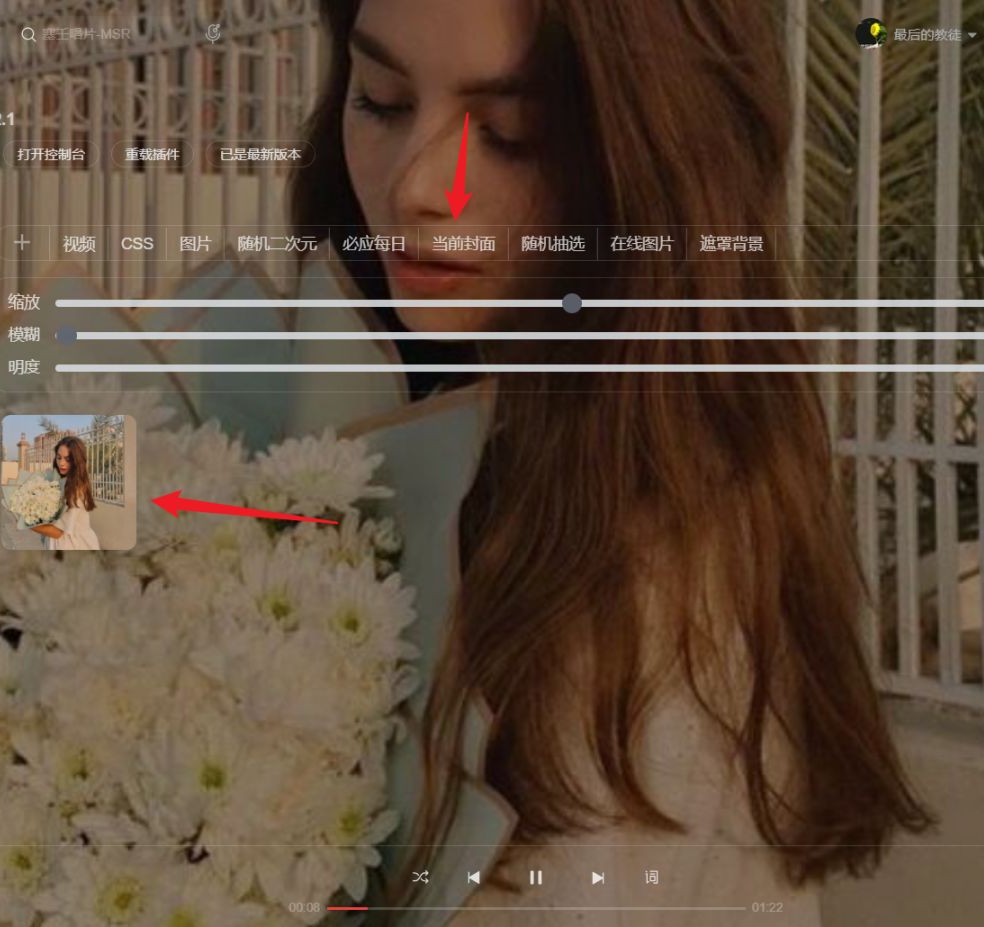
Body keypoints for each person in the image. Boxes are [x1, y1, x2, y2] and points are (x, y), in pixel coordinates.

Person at [291, 0, 933, 920]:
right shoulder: (386, 414)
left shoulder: (654, 574)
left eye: (511, 134)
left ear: (658, 158)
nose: (419, 186)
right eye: (382, 101)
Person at [30, 435, 101, 551]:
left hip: (74, 545)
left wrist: (27, 523)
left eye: (68, 459)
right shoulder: (59, 481)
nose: (61, 463)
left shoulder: (76, 489)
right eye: (59, 458)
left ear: (77, 461)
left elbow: (58, 532)